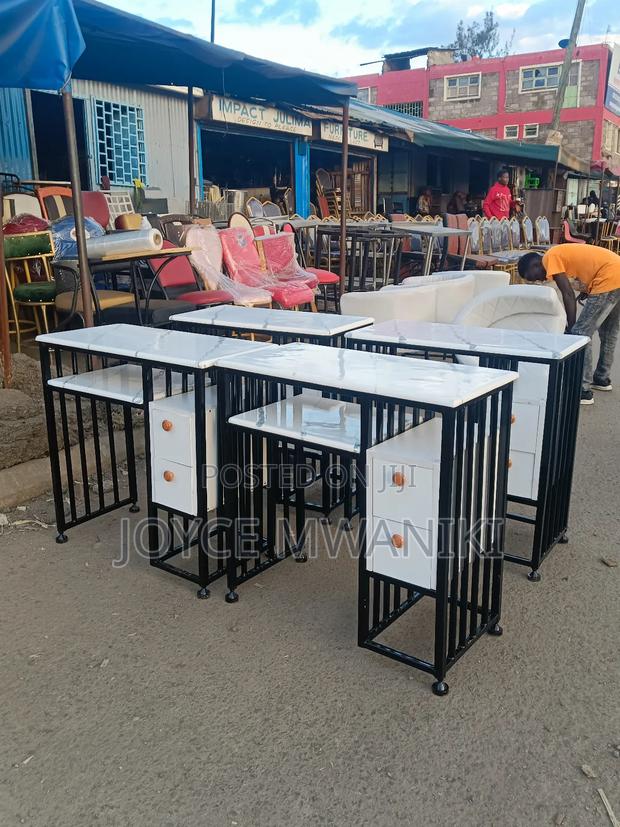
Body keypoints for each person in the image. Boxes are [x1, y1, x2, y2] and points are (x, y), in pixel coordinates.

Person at [518, 246, 620, 405]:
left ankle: (583, 390)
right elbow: (587, 264)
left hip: (607, 278)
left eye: (534, 277)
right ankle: (601, 378)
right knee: (609, 333)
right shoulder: (557, 254)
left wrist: (572, 327)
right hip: (615, 272)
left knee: (580, 333)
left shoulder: (549, 258)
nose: (540, 280)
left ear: (535, 265)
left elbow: (568, 294)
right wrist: (588, 287)